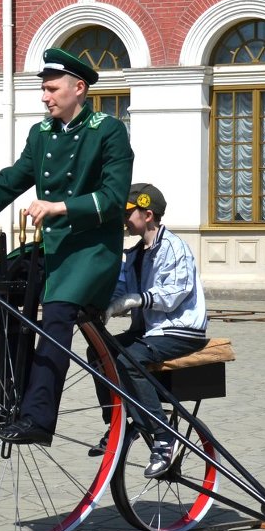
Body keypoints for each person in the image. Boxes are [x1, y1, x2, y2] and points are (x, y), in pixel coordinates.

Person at [0, 47, 134, 447]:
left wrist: (60, 206)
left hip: (91, 251)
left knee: (57, 315)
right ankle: (15, 389)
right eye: (43, 90)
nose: (45, 97)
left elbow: (113, 199)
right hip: (53, 246)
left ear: (78, 88)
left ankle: (39, 418)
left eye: (51, 89)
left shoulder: (107, 130)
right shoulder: (41, 134)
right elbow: (12, 179)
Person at [89, 182, 208, 477]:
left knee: (128, 359)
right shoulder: (135, 254)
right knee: (97, 351)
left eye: (129, 213)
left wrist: (136, 299)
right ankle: (114, 423)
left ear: (149, 214)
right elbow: (119, 290)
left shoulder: (174, 247)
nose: (124, 220)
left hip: (179, 330)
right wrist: (97, 301)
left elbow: (174, 293)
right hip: (151, 330)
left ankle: (164, 436)